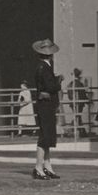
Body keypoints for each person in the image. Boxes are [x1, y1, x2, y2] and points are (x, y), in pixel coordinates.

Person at [31, 38, 62, 180]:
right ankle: (38, 167)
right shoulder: (44, 68)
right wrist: (58, 81)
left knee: (47, 135)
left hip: (45, 104)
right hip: (46, 105)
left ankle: (46, 166)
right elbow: (50, 87)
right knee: (45, 136)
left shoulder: (42, 67)